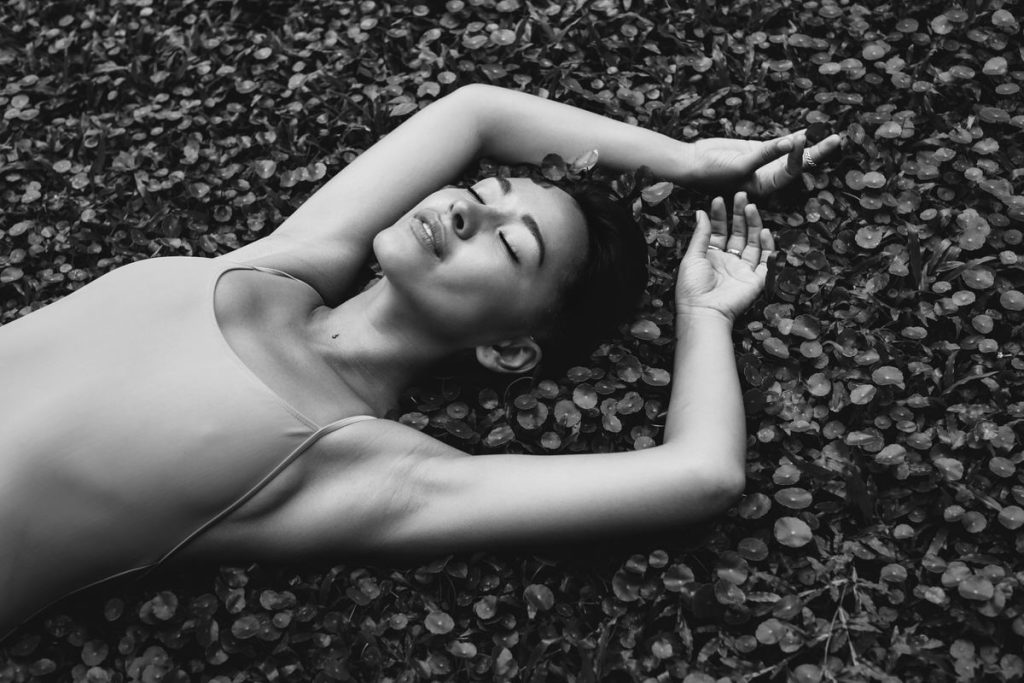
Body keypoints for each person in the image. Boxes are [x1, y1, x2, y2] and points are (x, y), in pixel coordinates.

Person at [0, 84, 840, 635]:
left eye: (511, 245)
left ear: (508, 348)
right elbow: (476, 110)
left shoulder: (359, 467)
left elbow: (701, 473)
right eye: (479, 195)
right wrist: (685, 158)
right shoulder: (284, 265)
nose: (464, 212)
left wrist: (705, 312)